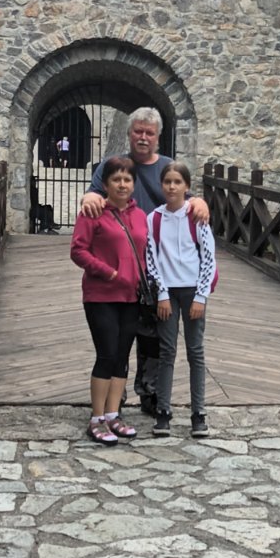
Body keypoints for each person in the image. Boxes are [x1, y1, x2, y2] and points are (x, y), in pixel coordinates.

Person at [79, 107, 209, 412]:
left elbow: (185, 195)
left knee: (154, 337)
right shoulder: (115, 167)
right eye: (138, 131)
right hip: (120, 268)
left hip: (161, 269)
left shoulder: (167, 167)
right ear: (129, 134)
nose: (143, 137)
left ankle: (150, 392)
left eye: (149, 133)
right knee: (119, 337)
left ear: (158, 137)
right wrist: (89, 196)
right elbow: (94, 194)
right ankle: (115, 397)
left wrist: (199, 200)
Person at [70, 156, 148, 446]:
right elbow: (78, 250)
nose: (122, 184)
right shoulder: (93, 212)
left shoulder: (140, 216)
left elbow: (146, 251)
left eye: (127, 179)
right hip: (101, 295)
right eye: (116, 179)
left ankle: (114, 414)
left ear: (133, 184)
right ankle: (97, 418)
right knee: (106, 354)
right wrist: (109, 272)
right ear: (105, 184)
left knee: (122, 356)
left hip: (131, 296)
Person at [145, 160, 216, 439]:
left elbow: (208, 258)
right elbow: (152, 259)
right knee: (167, 351)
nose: (172, 187)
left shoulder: (196, 217)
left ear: (186, 186)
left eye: (177, 182)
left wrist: (201, 295)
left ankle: (198, 413)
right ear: (161, 185)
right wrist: (161, 293)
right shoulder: (154, 219)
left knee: (195, 351)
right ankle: (163, 411)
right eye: (167, 182)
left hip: (192, 291)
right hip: (168, 293)